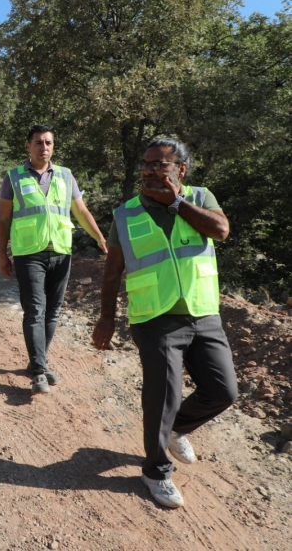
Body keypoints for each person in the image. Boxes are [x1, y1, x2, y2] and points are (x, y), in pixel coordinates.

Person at [92, 137, 237, 509]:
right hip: (154, 318)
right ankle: (156, 471)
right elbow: (112, 272)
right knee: (163, 396)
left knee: (223, 391)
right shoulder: (125, 213)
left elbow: (221, 231)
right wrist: (106, 318)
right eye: (147, 163)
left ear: (181, 170)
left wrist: (176, 203)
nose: (151, 169)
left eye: (161, 163)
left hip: (203, 312)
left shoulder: (201, 198)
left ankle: (177, 429)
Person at [0, 124, 107, 395]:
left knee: (53, 312)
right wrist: (2, 253)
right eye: (38, 143)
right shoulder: (13, 177)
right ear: (28, 146)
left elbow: (80, 211)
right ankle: (37, 372)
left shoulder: (66, 176)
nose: (43, 147)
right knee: (35, 309)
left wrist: (101, 239)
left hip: (61, 251)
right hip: (28, 253)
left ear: (53, 146)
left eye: (48, 143)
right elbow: (3, 218)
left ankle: (39, 362)